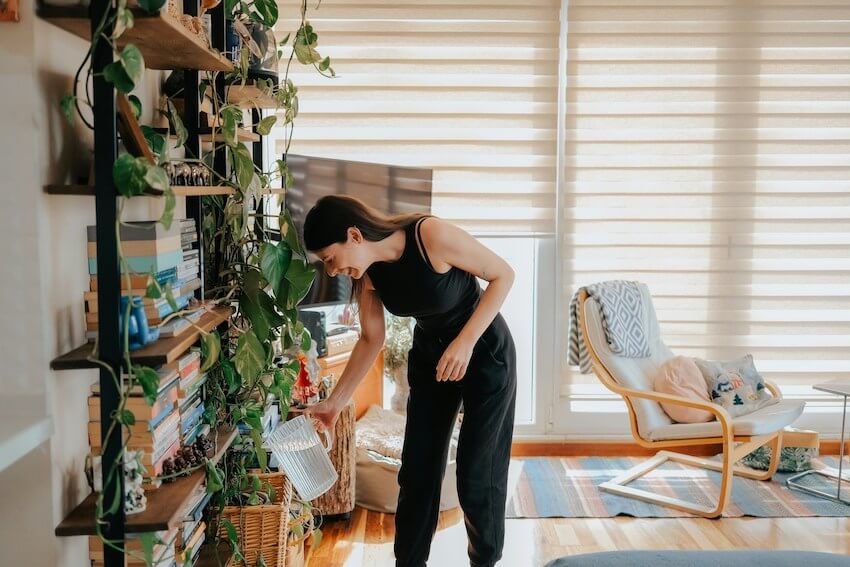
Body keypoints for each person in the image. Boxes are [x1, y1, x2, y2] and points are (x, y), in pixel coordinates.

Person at [302, 195, 517, 567]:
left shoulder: (429, 236)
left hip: (483, 351)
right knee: (417, 472)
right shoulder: (368, 272)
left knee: (477, 475)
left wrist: (464, 343)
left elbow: (503, 275)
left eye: (330, 259)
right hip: (432, 358)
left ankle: (485, 562)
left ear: (354, 235)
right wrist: (333, 404)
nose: (332, 271)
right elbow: (371, 339)